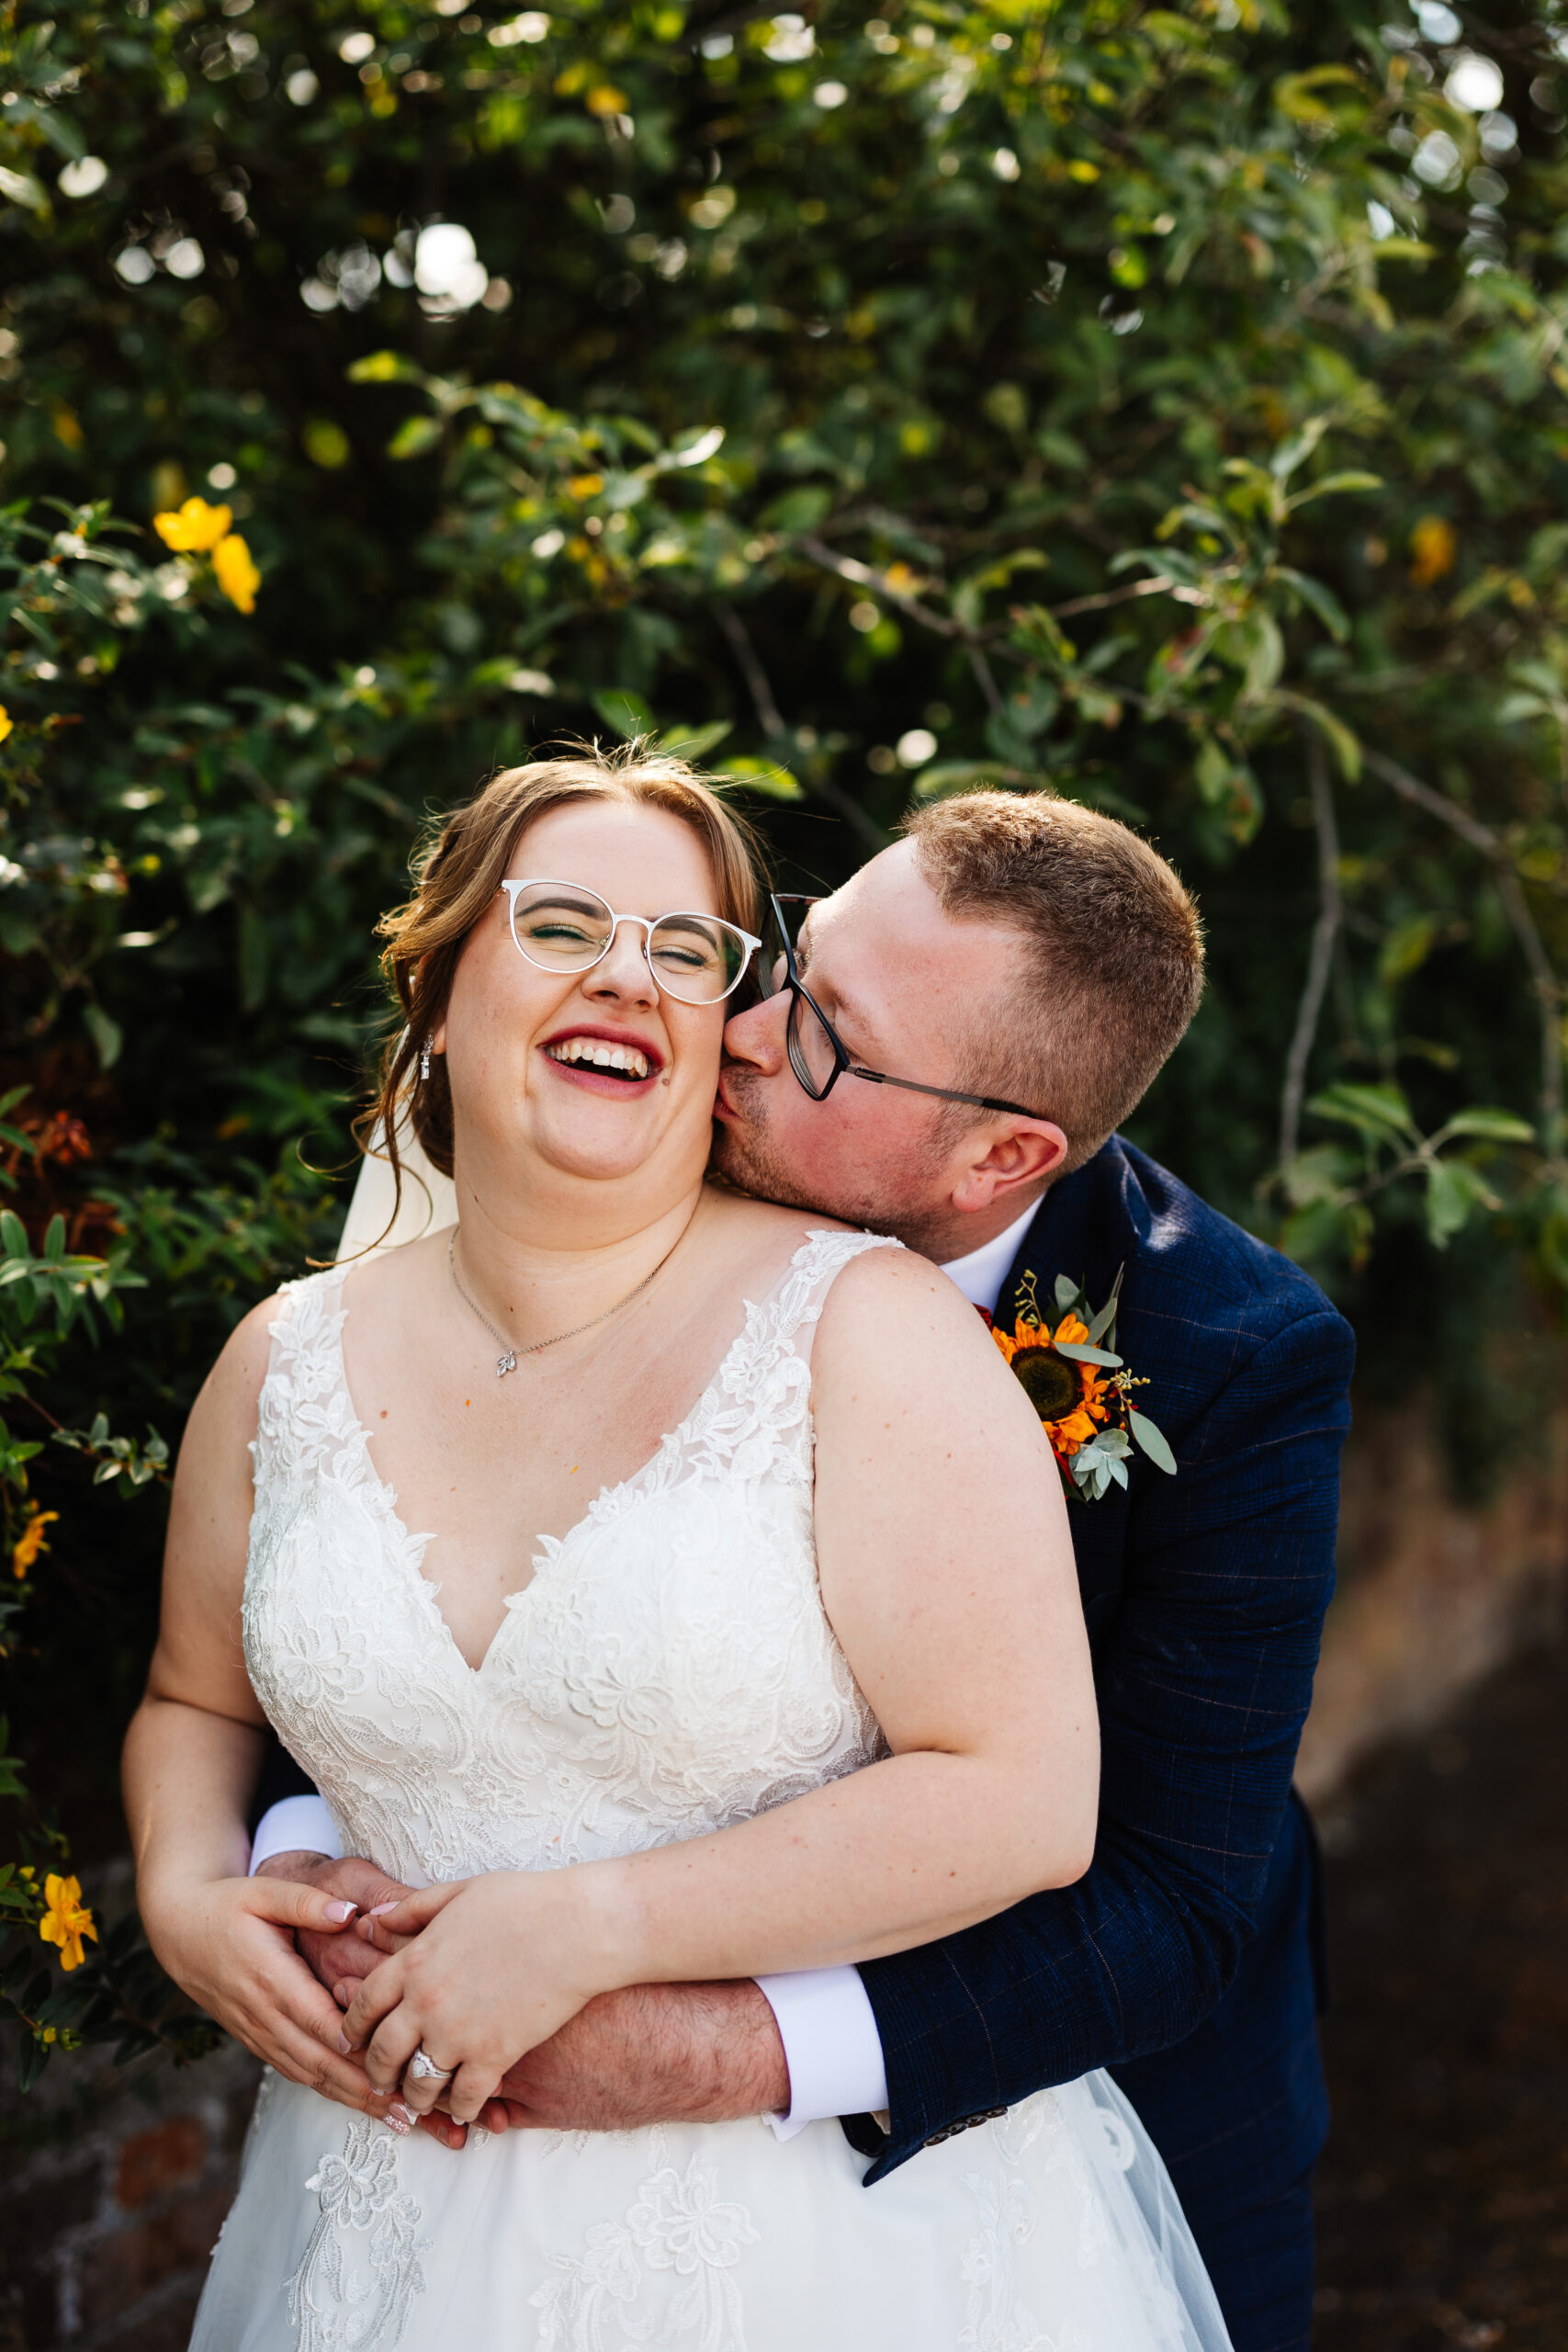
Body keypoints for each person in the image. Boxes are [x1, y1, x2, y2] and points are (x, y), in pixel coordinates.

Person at [124, 752, 1234, 2352]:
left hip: (811, 2247)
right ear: (441, 988)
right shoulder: (279, 1359)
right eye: (562, 919)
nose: (627, 973)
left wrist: (587, 1927)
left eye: (687, 947)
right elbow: (192, 1704)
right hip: (378, 2214)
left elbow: (1022, 1797)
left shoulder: (871, 1336)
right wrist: (182, 1896)